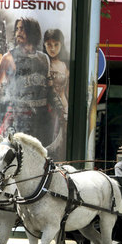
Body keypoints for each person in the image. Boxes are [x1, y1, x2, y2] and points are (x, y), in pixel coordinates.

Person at [0, 17, 51, 146]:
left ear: (32, 31)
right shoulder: (8, 57)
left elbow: (48, 88)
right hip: (17, 118)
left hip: (40, 119)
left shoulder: (44, 58)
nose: (18, 32)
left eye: (22, 29)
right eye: (17, 29)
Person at [43, 29, 69, 160]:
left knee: (62, 142)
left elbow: (67, 90)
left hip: (64, 107)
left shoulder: (65, 65)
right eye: (49, 44)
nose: (52, 48)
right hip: (47, 108)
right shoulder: (43, 62)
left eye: (56, 44)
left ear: (61, 44)